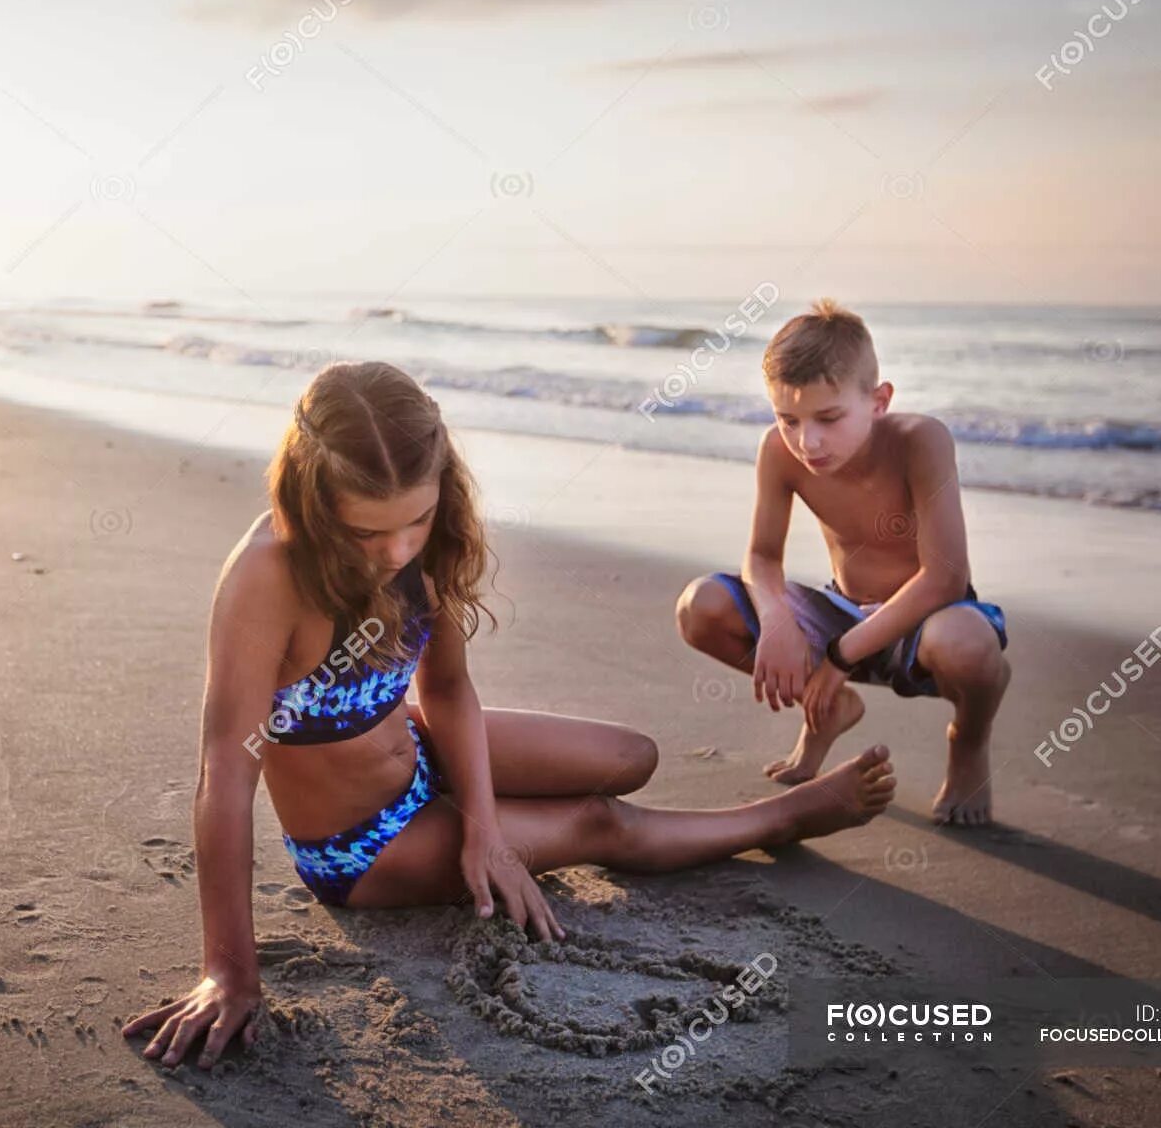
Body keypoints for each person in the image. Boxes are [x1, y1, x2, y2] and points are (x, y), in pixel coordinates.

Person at [122, 360, 898, 1070]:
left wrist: (488, 834)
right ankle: (782, 818)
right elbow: (225, 770)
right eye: (365, 532)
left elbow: (449, 691)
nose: (396, 552)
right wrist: (228, 970)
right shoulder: (268, 574)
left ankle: (491, 817)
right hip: (364, 846)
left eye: (415, 522)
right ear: (312, 497)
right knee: (601, 823)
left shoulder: (428, 543)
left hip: (424, 756)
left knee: (633, 756)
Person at [676, 300, 1010, 827]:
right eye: (788, 419)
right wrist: (779, 620)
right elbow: (762, 557)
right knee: (702, 606)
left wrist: (837, 658)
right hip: (840, 609)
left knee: (967, 644)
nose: (807, 441)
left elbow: (946, 576)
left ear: (879, 401)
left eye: (829, 419)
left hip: (923, 623)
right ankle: (831, 710)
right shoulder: (778, 451)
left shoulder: (921, 440)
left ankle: (968, 740)